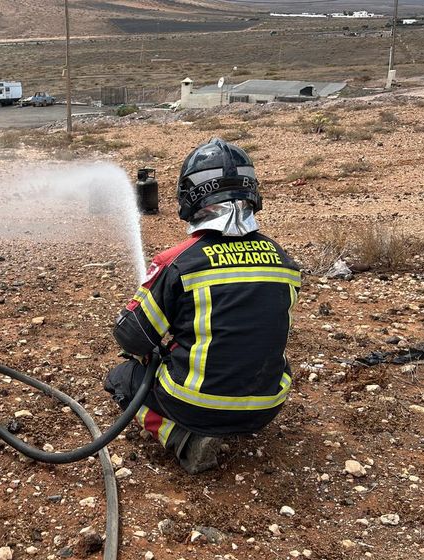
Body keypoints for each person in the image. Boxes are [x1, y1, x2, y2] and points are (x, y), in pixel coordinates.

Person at [105, 138, 300, 474]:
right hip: (267, 405)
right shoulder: (284, 260)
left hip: (195, 405)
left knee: (122, 379)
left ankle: (182, 439)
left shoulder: (178, 262)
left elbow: (132, 338)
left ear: (190, 196)